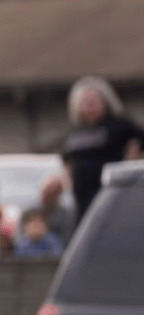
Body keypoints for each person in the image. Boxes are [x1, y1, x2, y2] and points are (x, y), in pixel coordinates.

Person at [61, 75, 143, 224]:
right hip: (81, 200)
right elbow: (66, 159)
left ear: (106, 102)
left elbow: (139, 141)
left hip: (111, 195)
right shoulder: (75, 131)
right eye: (85, 103)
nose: (90, 108)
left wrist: (132, 158)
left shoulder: (120, 124)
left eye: (94, 103)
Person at [36, 175, 76, 247]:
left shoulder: (65, 215)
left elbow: (67, 238)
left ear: (57, 195)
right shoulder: (32, 212)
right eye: (45, 191)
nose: (46, 196)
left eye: (51, 193)